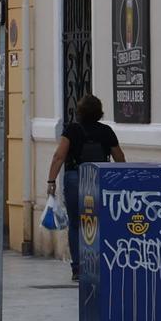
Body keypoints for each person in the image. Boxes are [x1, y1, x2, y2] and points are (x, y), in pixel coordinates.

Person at [46, 93, 126, 282]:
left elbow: (59, 156)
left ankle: (78, 268)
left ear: (80, 112)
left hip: (75, 178)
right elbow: (119, 158)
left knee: (76, 224)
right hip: (99, 177)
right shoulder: (106, 131)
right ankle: (99, 263)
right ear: (100, 113)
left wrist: (51, 181)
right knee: (99, 222)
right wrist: (121, 181)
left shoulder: (72, 130)